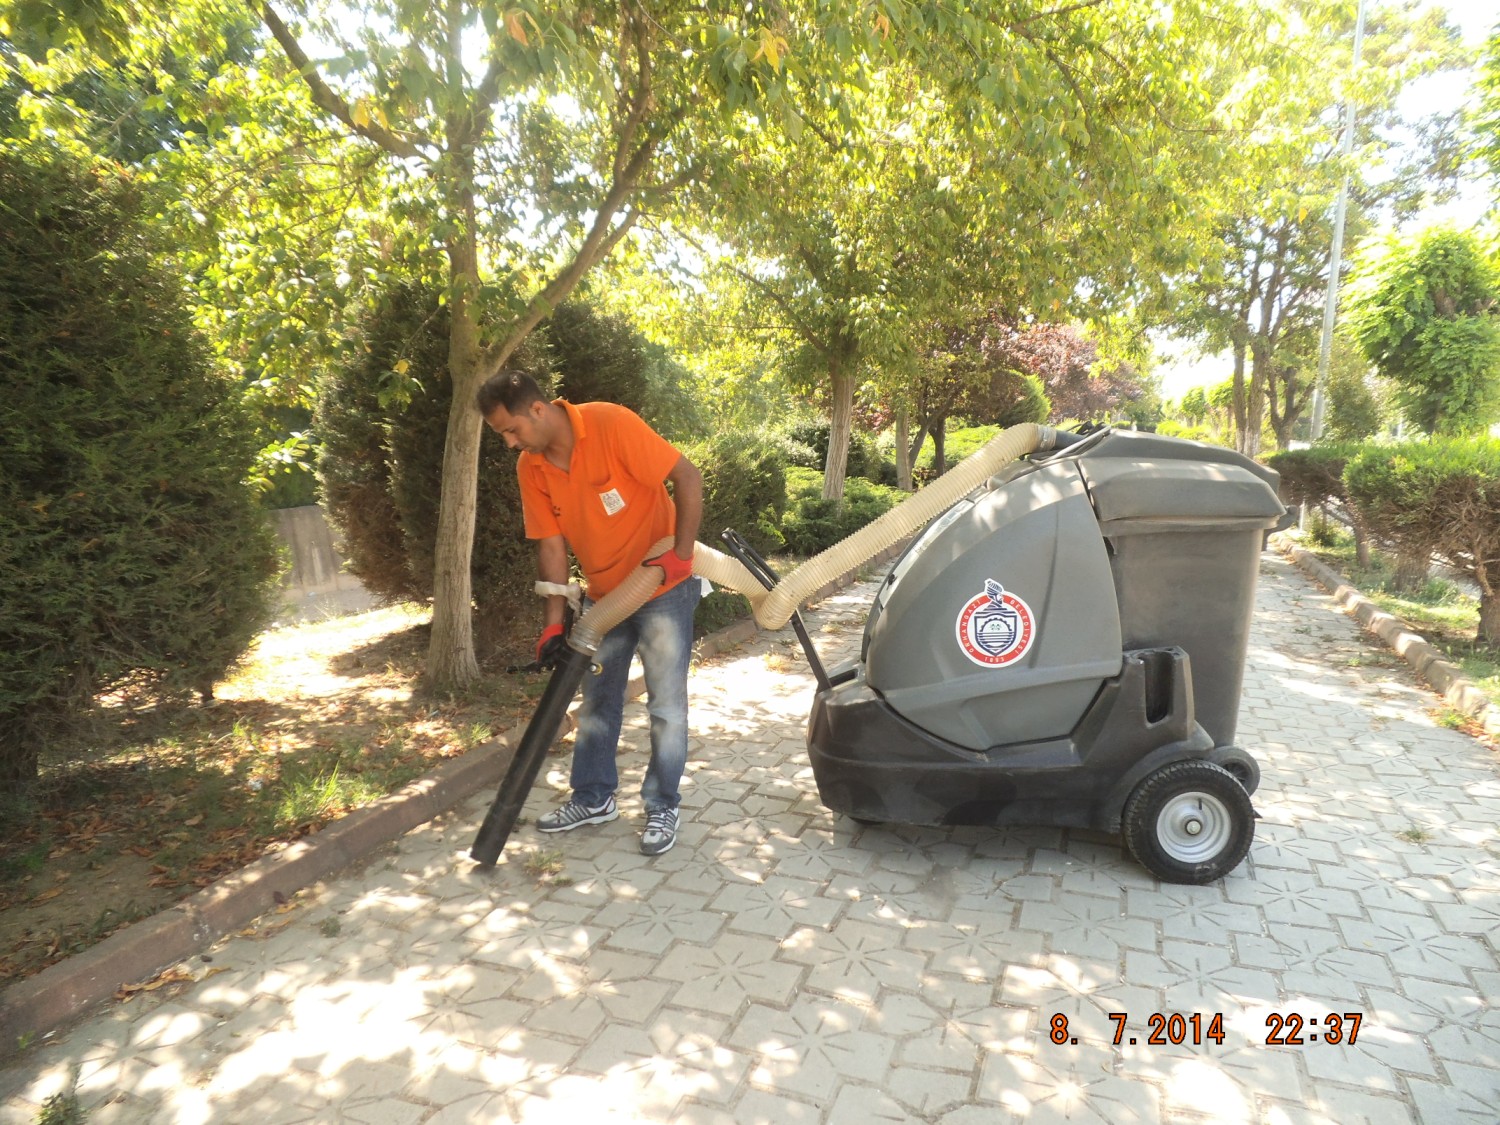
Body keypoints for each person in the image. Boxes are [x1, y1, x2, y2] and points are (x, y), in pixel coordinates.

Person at [476, 371, 703, 856]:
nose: (511, 443)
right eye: (503, 435)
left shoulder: (610, 424)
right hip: (605, 598)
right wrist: (553, 623)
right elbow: (551, 547)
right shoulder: (531, 468)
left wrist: (681, 554)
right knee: (597, 701)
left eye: (511, 430)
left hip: (663, 587)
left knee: (666, 706)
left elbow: (687, 475)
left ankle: (662, 804)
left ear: (538, 409)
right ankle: (594, 797)